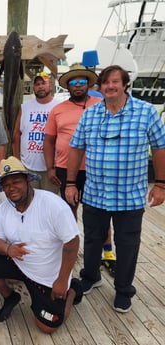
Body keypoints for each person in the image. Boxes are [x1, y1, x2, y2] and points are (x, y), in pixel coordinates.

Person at [65, 65, 165, 313]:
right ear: (100, 87)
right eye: (105, 83)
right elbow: (76, 148)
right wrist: (70, 182)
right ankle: (90, 276)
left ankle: (123, 289)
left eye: (115, 82)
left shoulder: (146, 112)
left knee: (128, 244)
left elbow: (160, 147)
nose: (110, 87)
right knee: (92, 239)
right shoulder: (90, 114)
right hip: (95, 193)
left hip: (129, 197)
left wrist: (161, 184)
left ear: (124, 84)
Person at [0, 156, 82, 334]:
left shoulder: (53, 205)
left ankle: (72, 289)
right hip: (19, 264)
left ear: (27, 180)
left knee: (47, 326)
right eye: (6, 185)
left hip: (48, 275)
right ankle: (10, 297)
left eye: (16, 181)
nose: (11, 188)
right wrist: (9, 249)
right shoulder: (3, 210)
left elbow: (72, 243)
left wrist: (62, 281)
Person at [44, 64, 117, 276]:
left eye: (82, 81)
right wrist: (50, 168)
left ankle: (108, 254)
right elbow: (49, 141)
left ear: (89, 84)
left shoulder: (102, 105)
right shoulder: (57, 110)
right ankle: (71, 249)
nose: (77, 85)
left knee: (102, 213)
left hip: (97, 168)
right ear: (67, 86)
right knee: (69, 211)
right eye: (73, 82)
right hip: (66, 168)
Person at [12, 71, 60, 193]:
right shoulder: (25, 107)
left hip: (51, 169)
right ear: (33, 87)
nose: (40, 86)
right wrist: (18, 163)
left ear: (50, 85)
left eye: (43, 83)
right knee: (29, 202)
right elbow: (16, 135)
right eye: (37, 84)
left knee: (49, 204)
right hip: (28, 167)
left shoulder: (59, 106)